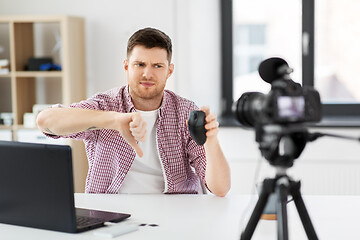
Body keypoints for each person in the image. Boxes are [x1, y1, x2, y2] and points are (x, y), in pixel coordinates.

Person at [36, 27, 231, 197]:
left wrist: (211, 140)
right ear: (126, 66)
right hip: (114, 212)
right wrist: (112, 120)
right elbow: (45, 121)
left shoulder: (186, 111)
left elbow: (220, 189)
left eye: (157, 66)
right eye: (140, 64)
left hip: (176, 210)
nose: (148, 73)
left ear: (169, 71)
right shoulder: (105, 105)